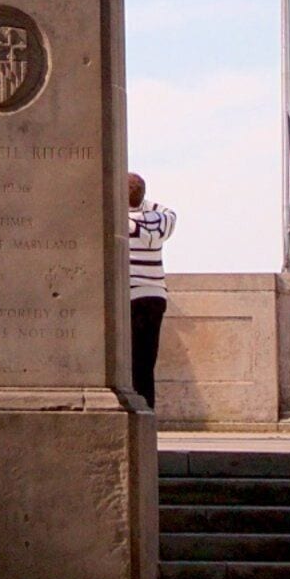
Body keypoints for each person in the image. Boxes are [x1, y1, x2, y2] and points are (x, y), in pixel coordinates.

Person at [127, 171, 176, 408]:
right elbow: (169, 211)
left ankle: (136, 412)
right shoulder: (160, 222)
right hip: (156, 295)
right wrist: (141, 200)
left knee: (132, 363)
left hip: (132, 296)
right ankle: (148, 413)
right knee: (147, 362)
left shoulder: (121, 223)